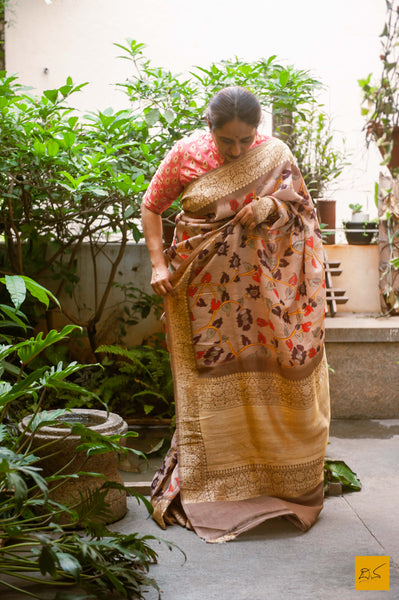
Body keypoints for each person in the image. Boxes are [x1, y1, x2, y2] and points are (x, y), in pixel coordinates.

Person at [140, 86, 330, 543]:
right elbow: (151, 206)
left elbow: (303, 213)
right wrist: (159, 264)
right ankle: (209, 481)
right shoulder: (186, 154)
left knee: (278, 372)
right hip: (204, 294)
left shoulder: (276, 154)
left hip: (268, 298)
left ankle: (276, 480)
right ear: (210, 128)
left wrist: (271, 205)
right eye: (228, 141)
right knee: (210, 376)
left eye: (246, 140)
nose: (238, 150)